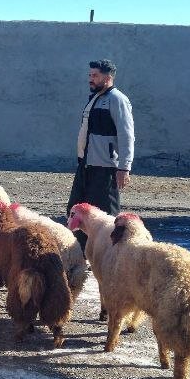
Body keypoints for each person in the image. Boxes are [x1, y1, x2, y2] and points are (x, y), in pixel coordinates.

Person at [66, 59, 134, 242]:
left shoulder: (118, 99)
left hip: (105, 168)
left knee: (106, 216)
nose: (91, 79)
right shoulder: (95, 99)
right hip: (86, 165)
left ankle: (111, 254)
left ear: (108, 77)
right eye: (90, 75)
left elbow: (127, 135)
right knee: (77, 211)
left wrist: (124, 167)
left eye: (95, 75)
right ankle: (80, 253)